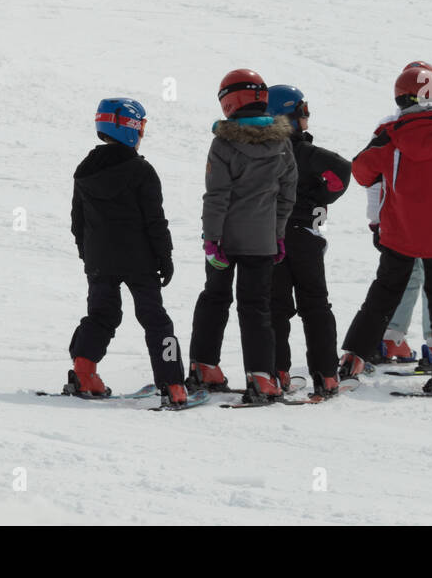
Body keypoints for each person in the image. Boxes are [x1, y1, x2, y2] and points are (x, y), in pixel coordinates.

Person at [338, 64, 432, 394]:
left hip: (401, 232)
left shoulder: (390, 134)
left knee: (383, 295)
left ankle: (354, 358)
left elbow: (362, 171)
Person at [187, 69, 297, 405]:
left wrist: (212, 237)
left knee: (215, 299)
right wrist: (277, 234)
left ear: (229, 101)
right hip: (262, 242)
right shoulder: (282, 142)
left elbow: (217, 195)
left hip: (225, 241)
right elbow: (287, 194)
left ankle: (205, 365)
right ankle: (262, 377)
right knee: (257, 308)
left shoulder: (223, 143)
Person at [67, 98, 187, 406]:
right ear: (130, 128)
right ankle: (173, 385)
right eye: (141, 126)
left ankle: (84, 373)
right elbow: (155, 220)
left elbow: (77, 221)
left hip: (100, 262)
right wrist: (165, 256)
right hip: (140, 261)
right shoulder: (141, 170)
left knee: (101, 316)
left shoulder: (84, 170)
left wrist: (88, 255)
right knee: (156, 320)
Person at [266, 84, 353, 397]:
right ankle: (326, 376)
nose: (307, 119)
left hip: (271, 238)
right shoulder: (304, 151)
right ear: (287, 116)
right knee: (315, 306)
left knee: (275, 308)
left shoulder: (263, 152)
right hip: (304, 236)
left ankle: (276, 375)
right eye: (302, 113)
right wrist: (321, 195)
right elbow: (342, 169)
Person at [365, 61, 432, 366]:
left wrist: (375, 220)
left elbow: (372, 180)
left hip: (398, 220)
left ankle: (390, 337)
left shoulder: (387, 128)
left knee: (407, 275)